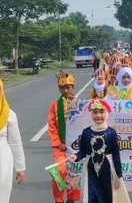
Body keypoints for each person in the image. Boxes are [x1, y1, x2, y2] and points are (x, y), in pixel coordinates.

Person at [67, 99, 130, 203]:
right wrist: (76, 157)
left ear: (107, 113)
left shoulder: (111, 132)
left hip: (107, 170)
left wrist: (119, 175)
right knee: (91, 196)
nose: (98, 115)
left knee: (107, 195)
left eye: (101, 112)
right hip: (90, 170)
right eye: (95, 112)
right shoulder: (86, 132)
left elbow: (116, 156)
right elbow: (83, 151)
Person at [48, 71, 81, 203]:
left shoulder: (79, 103)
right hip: (60, 145)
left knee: (73, 171)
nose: (65, 90)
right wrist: (58, 142)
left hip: (75, 146)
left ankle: (72, 199)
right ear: (59, 89)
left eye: (68, 87)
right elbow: (51, 126)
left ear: (73, 87)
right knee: (59, 171)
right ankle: (59, 199)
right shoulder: (55, 105)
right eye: (62, 87)